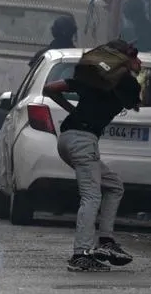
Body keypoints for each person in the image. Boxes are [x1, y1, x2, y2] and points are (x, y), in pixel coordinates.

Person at [43, 40, 141, 272]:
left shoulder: (91, 80)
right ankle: (81, 254)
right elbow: (137, 101)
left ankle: (105, 241)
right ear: (123, 60)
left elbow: (49, 89)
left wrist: (72, 110)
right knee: (91, 197)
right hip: (83, 141)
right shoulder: (125, 83)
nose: (140, 61)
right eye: (135, 57)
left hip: (67, 138)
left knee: (114, 186)